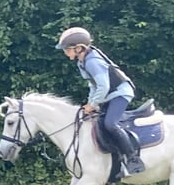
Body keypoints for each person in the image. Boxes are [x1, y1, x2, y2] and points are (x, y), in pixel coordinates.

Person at [55, 26, 145, 175]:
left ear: (79, 48)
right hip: (109, 95)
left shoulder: (92, 62)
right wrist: (90, 103)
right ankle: (114, 164)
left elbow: (104, 86)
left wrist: (93, 104)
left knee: (110, 124)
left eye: (67, 49)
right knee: (97, 123)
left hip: (121, 93)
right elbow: (93, 85)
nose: (65, 52)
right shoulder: (82, 62)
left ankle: (133, 159)